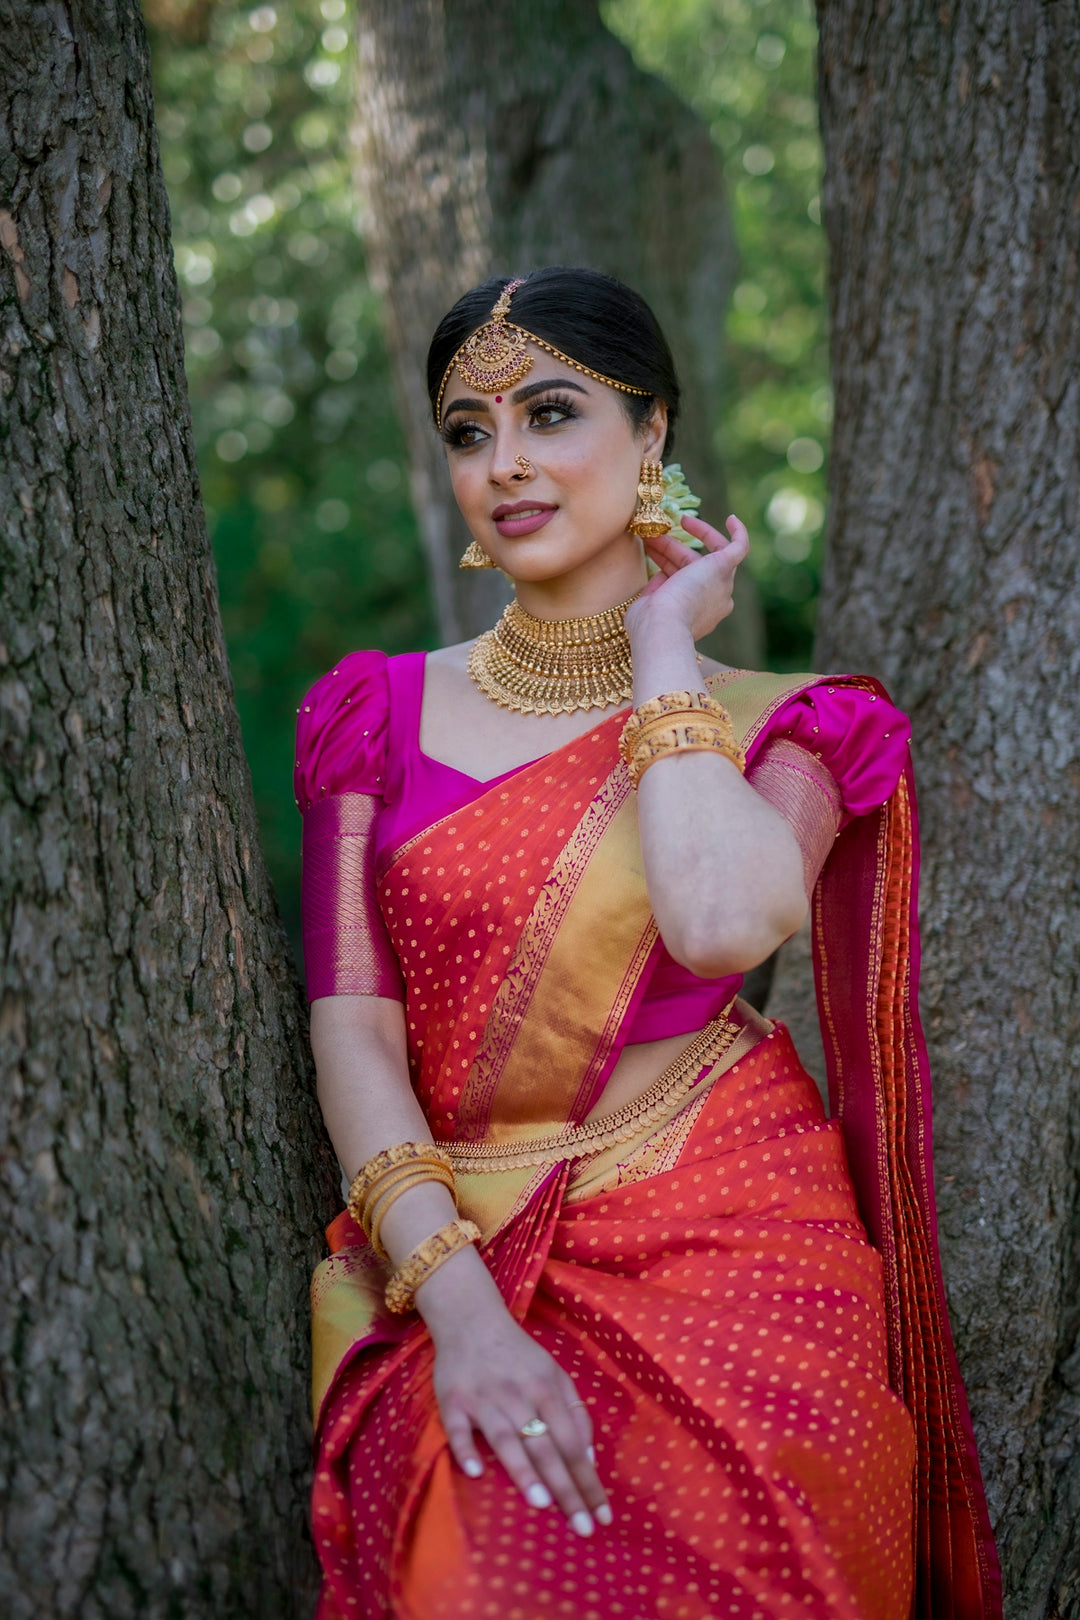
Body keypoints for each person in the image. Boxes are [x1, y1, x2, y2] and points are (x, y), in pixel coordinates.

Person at [295, 268, 1000, 1620]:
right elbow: (353, 1026)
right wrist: (463, 1312)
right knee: (474, 1572)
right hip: (455, 1244)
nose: (505, 464)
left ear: (653, 434)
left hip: (735, 1258)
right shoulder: (374, 716)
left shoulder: (792, 726)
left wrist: (665, 656)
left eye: (551, 414)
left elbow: (724, 919)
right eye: (466, 430)